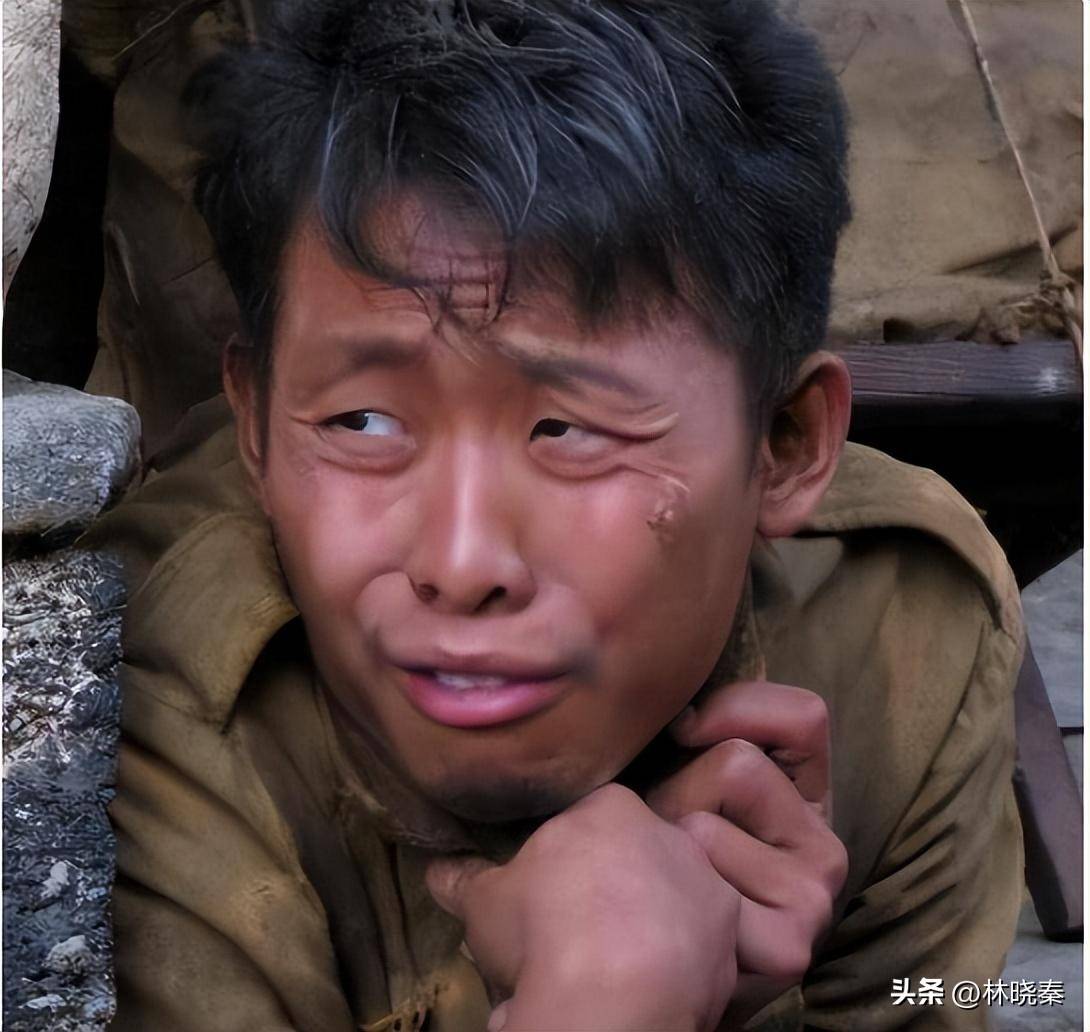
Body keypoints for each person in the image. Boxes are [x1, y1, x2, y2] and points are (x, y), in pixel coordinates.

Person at [81, 1, 1026, 1028]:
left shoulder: (898, 630)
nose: (461, 562)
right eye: (362, 422)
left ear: (785, 444)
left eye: (567, 431)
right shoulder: (138, 701)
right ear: (256, 426)